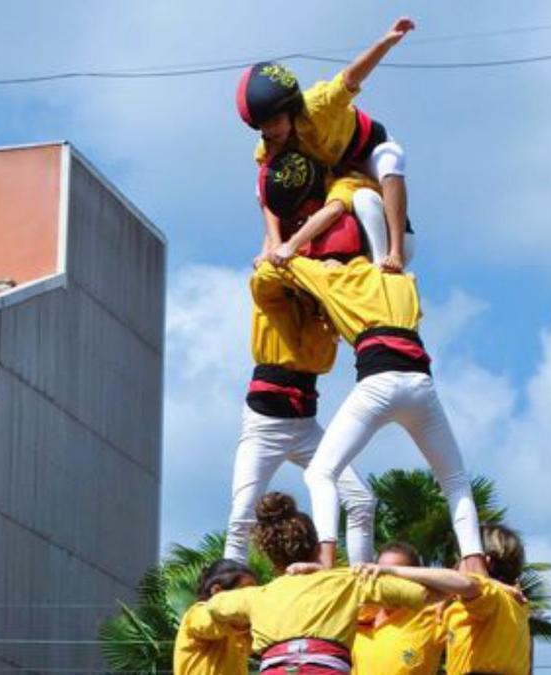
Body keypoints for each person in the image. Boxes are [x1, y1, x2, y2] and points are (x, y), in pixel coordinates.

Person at [252, 257, 487, 575]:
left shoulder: (334, 276)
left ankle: (326, 557)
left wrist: (276, 254)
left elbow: (274, 269)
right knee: (455, 480)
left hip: (379, 383)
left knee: (320, 473)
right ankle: (475, 560)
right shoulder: (402, 281)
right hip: (420, 384)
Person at [208, 493, 464, 674]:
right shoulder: (349, 582)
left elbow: (214, 605)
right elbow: (444, 590)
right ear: (318, 548)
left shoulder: (257, 596)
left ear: (270, 557)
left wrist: (242, 627)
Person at [237, 17, 416, 272]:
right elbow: (268, 198)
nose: (270, 131)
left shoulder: (318, 106)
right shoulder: (269, 146)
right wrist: (274, 246)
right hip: (334, 174)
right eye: (262, 126)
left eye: (275, 121)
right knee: (264, 184)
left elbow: (351, 77)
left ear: (290, 109)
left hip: (364, 152)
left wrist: (385, 43)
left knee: (391, 157)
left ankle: (394, 253)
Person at [224, 267, 376, 564]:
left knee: (361, 499)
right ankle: (229, 589)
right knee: (241, 516)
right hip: (264, 426)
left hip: (306, 425)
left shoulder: (325, 306)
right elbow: (265, 274)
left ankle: (364, 586)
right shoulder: (272, 296)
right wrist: (289, 255)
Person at [259, 150, 414, 268]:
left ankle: (379, 265)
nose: (300, 213)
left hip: (393, 239)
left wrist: (291, 246)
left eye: (302, 208)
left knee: (363, 199)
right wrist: (270, 248)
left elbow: (334, 211)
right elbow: (271, 214)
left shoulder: (343, 182)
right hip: (358, 248)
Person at [443, 524, 533, 675]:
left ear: (487, 561)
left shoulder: (489, 599)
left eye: (463, 558)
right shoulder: (515, 604)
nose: (456, 565)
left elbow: (477, 581)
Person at [352, 542, 447, 675]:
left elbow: (470, 585)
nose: (387, 580)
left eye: (394, 574)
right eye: (381, 573)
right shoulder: (359, 617)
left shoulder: (430, 614)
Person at [174, 559, 259, 675]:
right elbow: (210, 622)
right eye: (244, 593)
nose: (251, 599)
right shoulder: (197, 612)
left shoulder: (241, 629)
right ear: (217, 592)